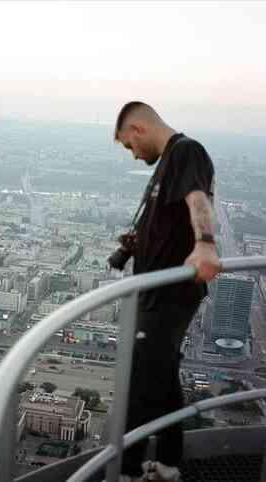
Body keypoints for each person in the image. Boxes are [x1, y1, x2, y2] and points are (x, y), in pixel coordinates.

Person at [108, 102, 221, 482]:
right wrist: (133, 247)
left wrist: (205, 243)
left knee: (139, 384)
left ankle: (126, 471)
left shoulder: (186, 151)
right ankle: (170, 463)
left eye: (128, 145)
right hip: (161, 292)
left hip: (170, 295)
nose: (133, 153)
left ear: (138, 128)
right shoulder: (165, 165)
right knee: (162, 377)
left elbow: (197, 199)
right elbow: (165, 224)